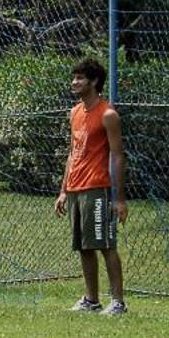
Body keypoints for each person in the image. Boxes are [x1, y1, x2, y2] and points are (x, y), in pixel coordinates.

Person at [53, 56, 128, 315]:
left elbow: (117, 155)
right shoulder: (74, 112)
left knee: (106, 245)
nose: (74, 82)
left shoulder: (108, 115)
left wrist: (119, 198)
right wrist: (64, 189)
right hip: (76, 188)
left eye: (80, 78)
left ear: (94, 81)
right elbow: (73, 153)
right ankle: (91, 300)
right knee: (84, 246)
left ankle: (118, 302)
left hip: (98, 187)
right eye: (74, 77)